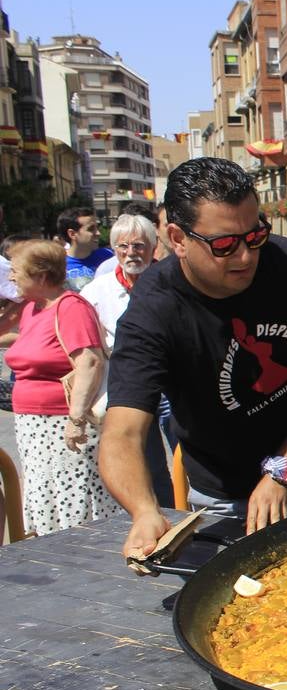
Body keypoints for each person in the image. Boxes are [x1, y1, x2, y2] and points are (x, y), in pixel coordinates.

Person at [102, 157, 287, 558]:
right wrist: (144, 510)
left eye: (255, 235)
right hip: (224, 490)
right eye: (224, 245)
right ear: (178, 238)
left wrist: (284, 469)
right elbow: (122, 432)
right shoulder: (153, 310)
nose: (245, 257)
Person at [4, 240, 116, 534]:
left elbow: (90, 362)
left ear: (41, 276)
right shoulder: (32, 307)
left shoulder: (70, 307)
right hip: (35, 428)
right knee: (48, 495)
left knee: (73, 499)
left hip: (60, 426)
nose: (11, 277)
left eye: (16, 271)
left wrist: (75, 420)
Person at [79, 213, 174, 507]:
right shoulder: (96, 291)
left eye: (138, 245)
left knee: (190, 456)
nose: (131, 253)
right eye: (123, 247)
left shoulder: (174, 279)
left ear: (153, 246)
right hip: (132, 385)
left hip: (174, 383)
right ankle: (164, 516)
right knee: (147, 462)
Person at [55, 207, 112, 291]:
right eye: (91, 229)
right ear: (72, 234)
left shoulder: (109, 256)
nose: (98, 233)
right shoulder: (58, 266)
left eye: (97, 227)